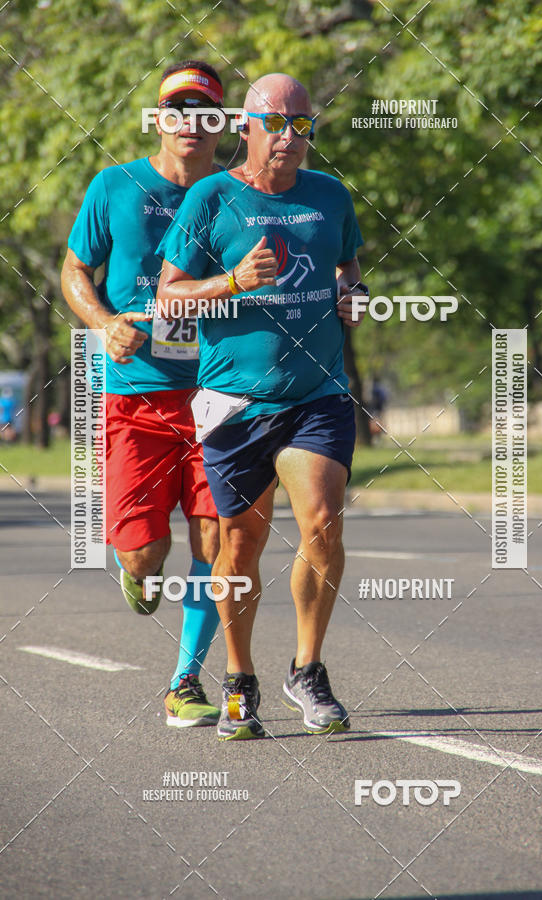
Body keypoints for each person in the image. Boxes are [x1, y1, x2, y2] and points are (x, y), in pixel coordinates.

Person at [156, 73, 366, 741]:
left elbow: (349, 268)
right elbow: (169, 299)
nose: (290, 138)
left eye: (302, 125)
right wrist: (232, 282)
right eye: (277, 124)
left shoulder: (330, 197)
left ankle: (307, 668)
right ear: (245, 127)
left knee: (325, 522)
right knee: (239, 546)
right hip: (235, 403)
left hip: (317, 394)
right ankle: (239, 675)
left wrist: (351, 295)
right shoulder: (212, 198)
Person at [61, 60, 225, 728]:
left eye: (204, 110)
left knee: (217, 543)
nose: (190, 121)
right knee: (142, 550)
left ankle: (185, 678)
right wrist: (102, 325)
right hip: (137, 398)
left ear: (222, 124)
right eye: (176, 109)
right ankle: (140, 571)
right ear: (158, 118)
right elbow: (75, 269)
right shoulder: (116, 186)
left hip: (220, 397)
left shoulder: (239, 195)